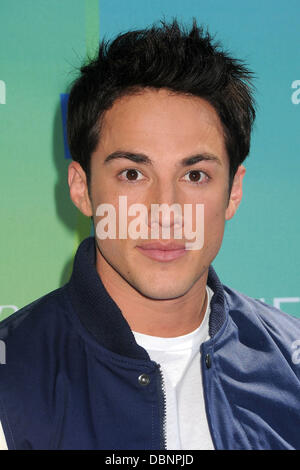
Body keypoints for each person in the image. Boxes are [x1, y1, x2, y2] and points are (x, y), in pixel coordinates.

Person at [0, 19, 299, 451]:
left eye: (195, 175)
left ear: (233, 192)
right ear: (81, 188)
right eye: (133, 174)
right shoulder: (12, 379)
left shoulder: (291, 363)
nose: (166, 212)